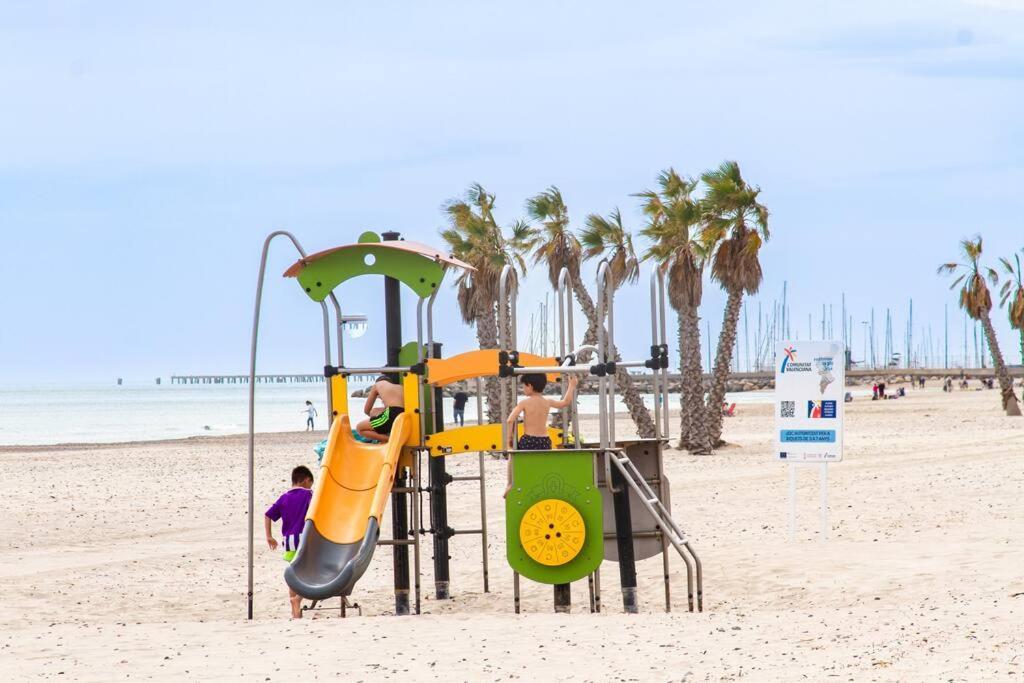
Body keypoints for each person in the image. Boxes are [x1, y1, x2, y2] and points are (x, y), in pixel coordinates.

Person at [504, 373, 578, 497]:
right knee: (542, 464)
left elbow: (510, 420)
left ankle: (510, 484)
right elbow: (565, 402)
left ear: (530, 386)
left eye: (524, 386)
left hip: (529, 440)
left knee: (513, 458)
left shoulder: (525, 403)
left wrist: (509, 441)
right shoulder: (547, 401)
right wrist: (572, 385)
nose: (523, 389)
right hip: (544, 441)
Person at [265, 465, 314, 619]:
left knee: (293, 574)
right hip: (305, 540)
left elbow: (268, 515)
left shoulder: (284, 497)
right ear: (306, 480)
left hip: (289, 542)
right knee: (311, 573)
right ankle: (298, 599)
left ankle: (295, 612)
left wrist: (269, 536)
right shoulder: (309, 495)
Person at [356, 375, 405, 443]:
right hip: (404, 417)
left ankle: (389, 440)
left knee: (360, 428)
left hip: (391, 415)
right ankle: (385, 435)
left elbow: (367, 410)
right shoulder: (400, 387)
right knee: (374, 411)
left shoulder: (377, 385)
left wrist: (374, 424)